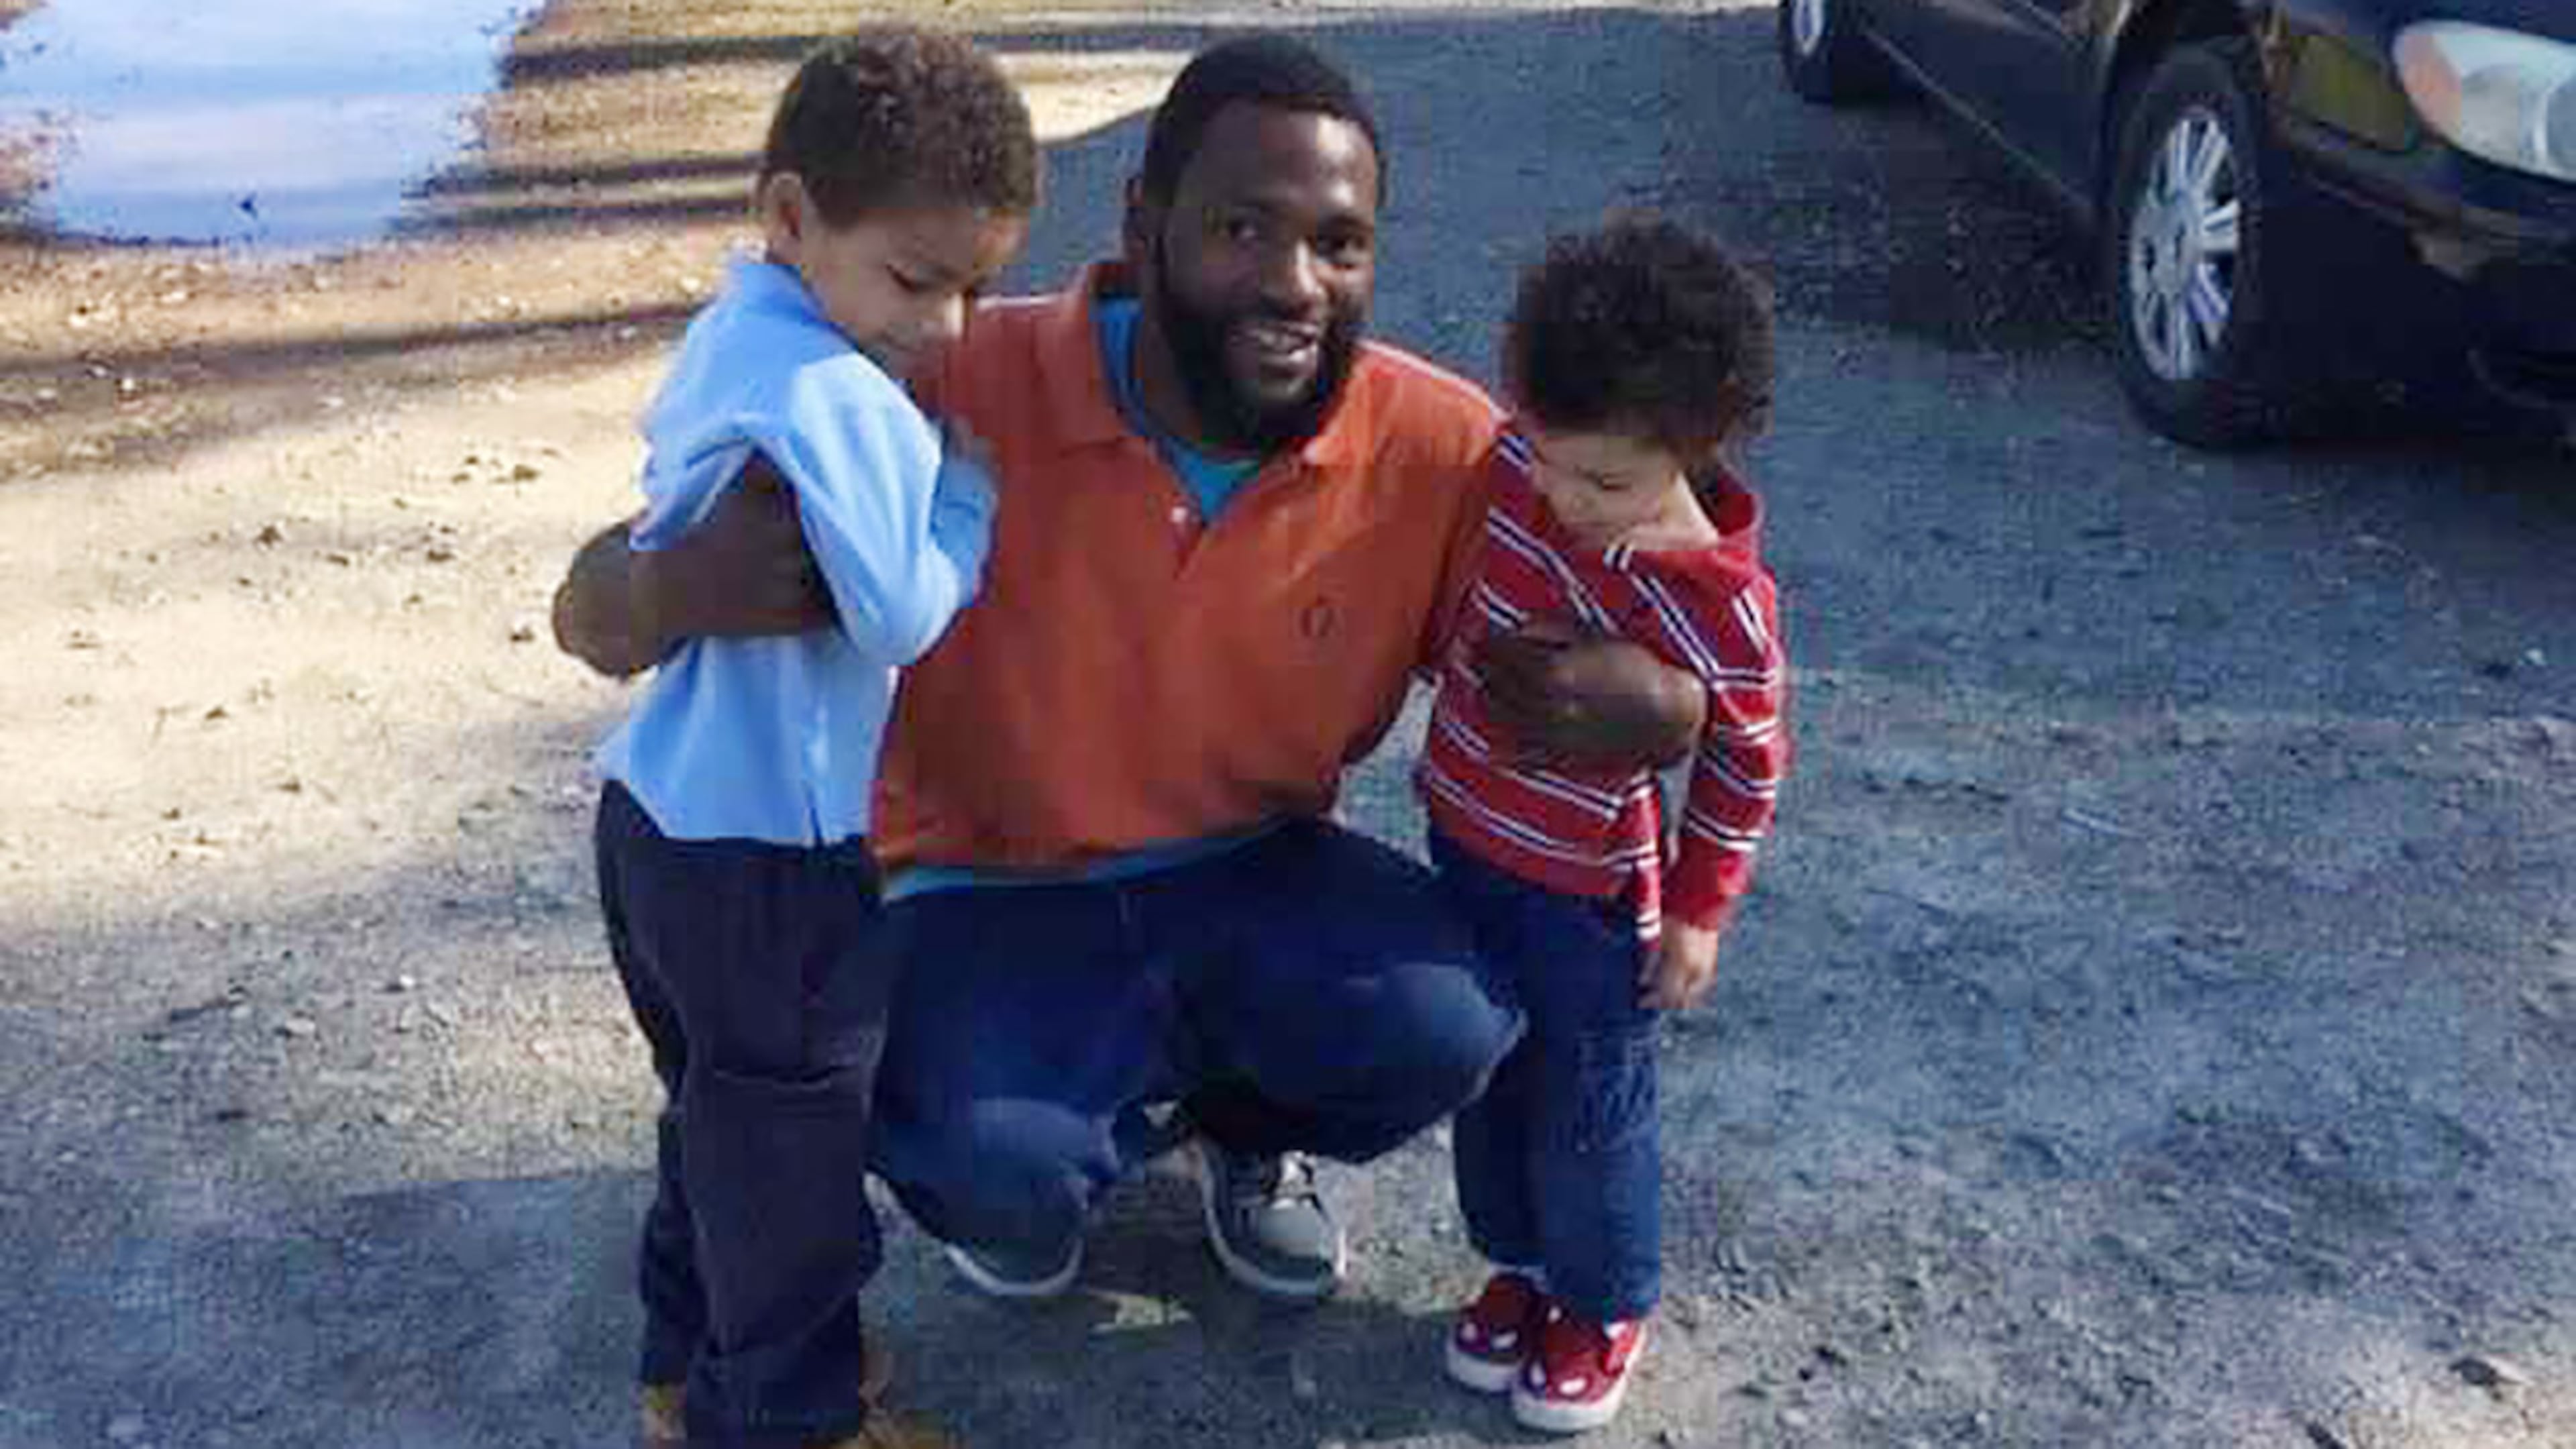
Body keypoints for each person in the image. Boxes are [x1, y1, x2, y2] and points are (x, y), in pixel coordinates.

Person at [553, 33, 1707, 1321]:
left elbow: (1670, 537)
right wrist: (664, 589)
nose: (1295, 283)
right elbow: (591, 610)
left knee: (1450, 1016)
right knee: (993, 1164)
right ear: (1143, 221)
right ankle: (1040, 1169)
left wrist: (1684, 705)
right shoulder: (944, 376)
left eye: (1340, 243)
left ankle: (1236, 1134)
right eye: (1239, 227)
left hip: (1252, 865)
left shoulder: (1438, 447)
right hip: (976, 892)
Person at [589, 28, 1036, 1449]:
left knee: (711, 1117)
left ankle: (685, 1367)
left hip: (655, 822)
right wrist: (966, 497)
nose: (950, 327)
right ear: (790, 216)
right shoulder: (841, 394)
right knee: (790, 1160)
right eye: (917, 279)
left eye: (976, 285)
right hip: (772, 859)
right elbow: (900, 615)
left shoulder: (737, 331)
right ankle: (791, 1419)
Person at [1423, 216, 1788, 1434]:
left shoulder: (1721, 606)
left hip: (1588, 897)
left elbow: (1747, 760)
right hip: (1465, 839)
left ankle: (1604, 1296)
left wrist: (1697, 914)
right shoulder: (1522, 488)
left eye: (1609, 482)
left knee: (1590, 1096)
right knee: (1488, 1073)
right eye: (1547, 460)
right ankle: (1521, 1263)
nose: (1568, 501)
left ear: (1701, 440)